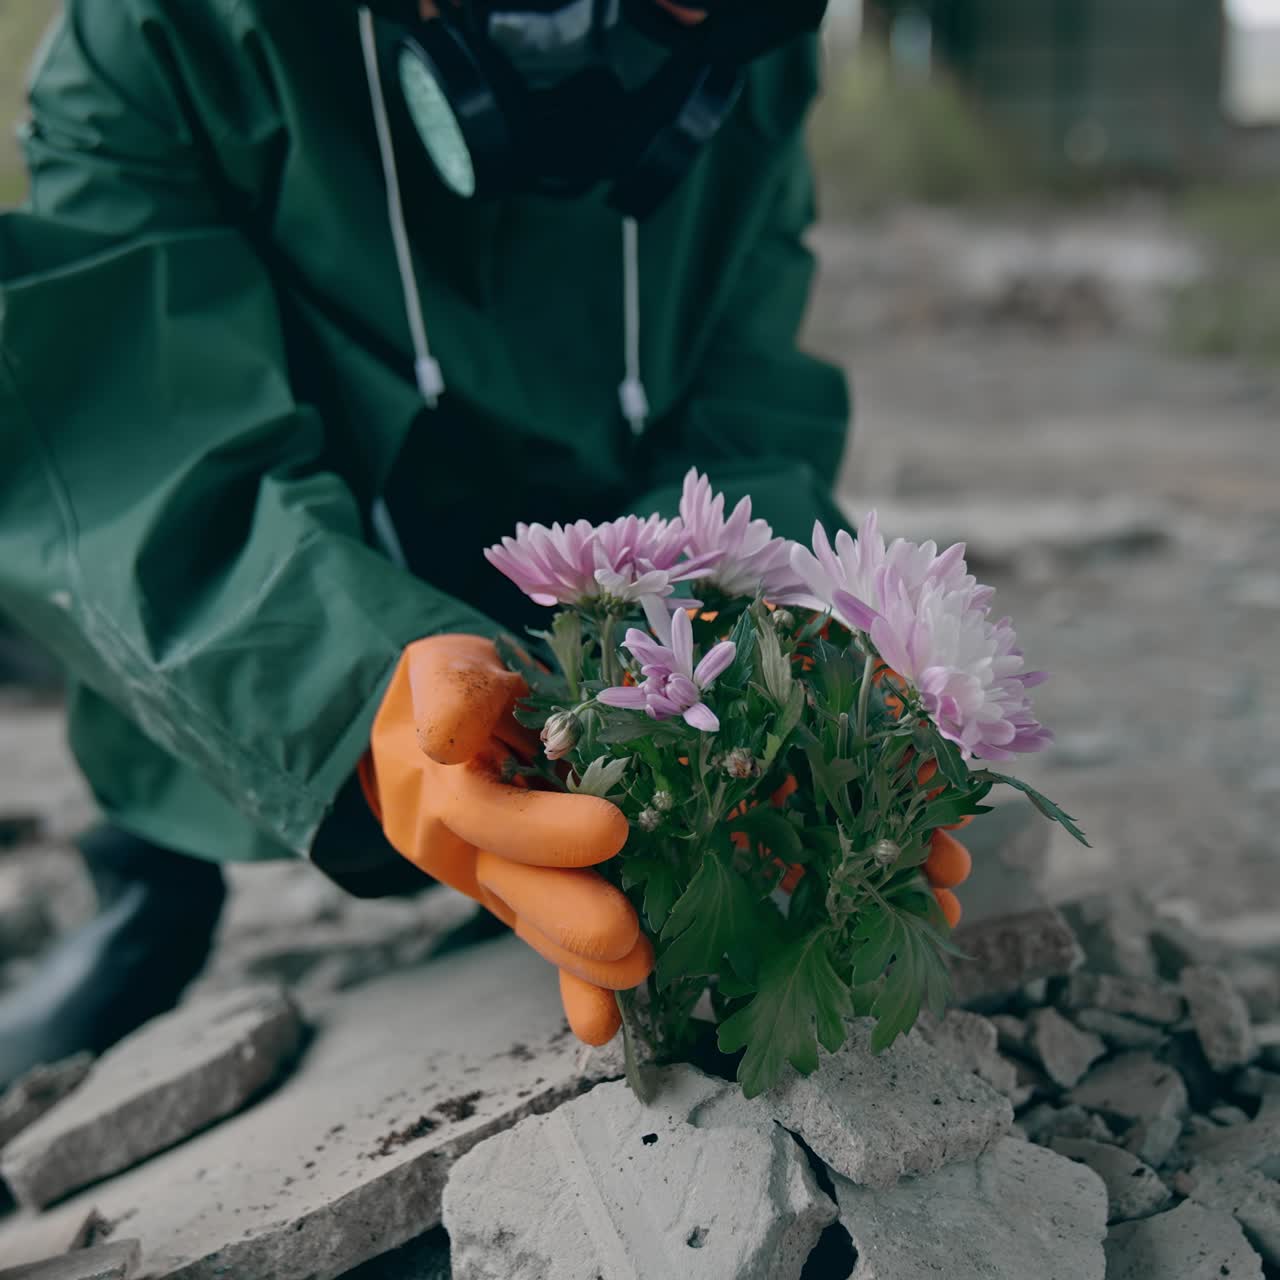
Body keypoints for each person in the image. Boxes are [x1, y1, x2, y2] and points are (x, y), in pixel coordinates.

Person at [0, 0, 953, 1089]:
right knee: (128, 556)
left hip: (608, 550)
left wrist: (767, 654)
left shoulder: (755, 36)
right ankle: (151, 882)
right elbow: (129, 431)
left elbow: (743, 395)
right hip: (309, 512)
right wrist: (351, 692)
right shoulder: (160, 29)